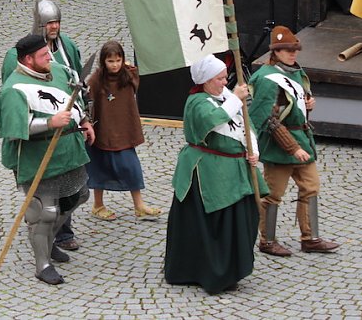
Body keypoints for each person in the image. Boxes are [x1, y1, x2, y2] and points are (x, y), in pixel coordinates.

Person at [0, 33, 95, 285]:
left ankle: (48, 241)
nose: (49, 57)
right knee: (44, 211)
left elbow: (74, 99)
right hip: (37, 157)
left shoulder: (57, 72)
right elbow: (12, 128)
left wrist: (84, 121)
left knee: (79, 195)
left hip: (68, 152)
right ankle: (43, 264)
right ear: (28, 60)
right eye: (42, 55)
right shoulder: (14, 89)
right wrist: (49, 122)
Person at [164, 54, 265, 294]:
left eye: (224, 78)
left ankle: (233, 268)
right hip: (207, 174)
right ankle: (206, 271)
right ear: (206, 80)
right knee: (212, 225)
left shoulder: (226, 96)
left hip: (235, 168)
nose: (224, 82)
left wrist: (254, 150)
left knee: (243, 219)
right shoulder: (197, 102)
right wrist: (236, 100)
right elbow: (212, 120)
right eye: (219, 79)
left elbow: (245, 124)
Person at [0, 0, 84, 252]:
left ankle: (57, 234)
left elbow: (76, 86)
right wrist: (48, 121)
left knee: (74, 192)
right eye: (50, 23)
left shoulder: (67, 46)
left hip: (66, 138)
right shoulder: (15, 58)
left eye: (57, 22)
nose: (55, 27)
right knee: (44, 205)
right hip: (34, 143)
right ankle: (44, 243)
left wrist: (85, 118)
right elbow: (14, 100)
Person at [248, 26, 339, 257]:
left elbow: (296, 102)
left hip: (301, 139)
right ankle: (267, 241)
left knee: (311, 188)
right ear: (275, 52)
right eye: (287, 50)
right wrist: (293, 147)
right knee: (273, 195)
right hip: (280, 146)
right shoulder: (266, 79)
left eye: (294, 49)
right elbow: (266, 119)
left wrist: (308, 104)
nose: (292, 53)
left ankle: (311, 238)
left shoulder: (296, 72)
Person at [86, 40, 161, 220]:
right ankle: (97, 205)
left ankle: (139, 205)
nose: (115, 65)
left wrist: (129, 67)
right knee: (100, 168)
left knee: (131, 167)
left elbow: (136, 79)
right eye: (111, 61)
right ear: (103, 62)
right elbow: (87, 99)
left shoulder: (126, 76)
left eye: (118, 60)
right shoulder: (97, 79)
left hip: (123, 130)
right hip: (104, 130)